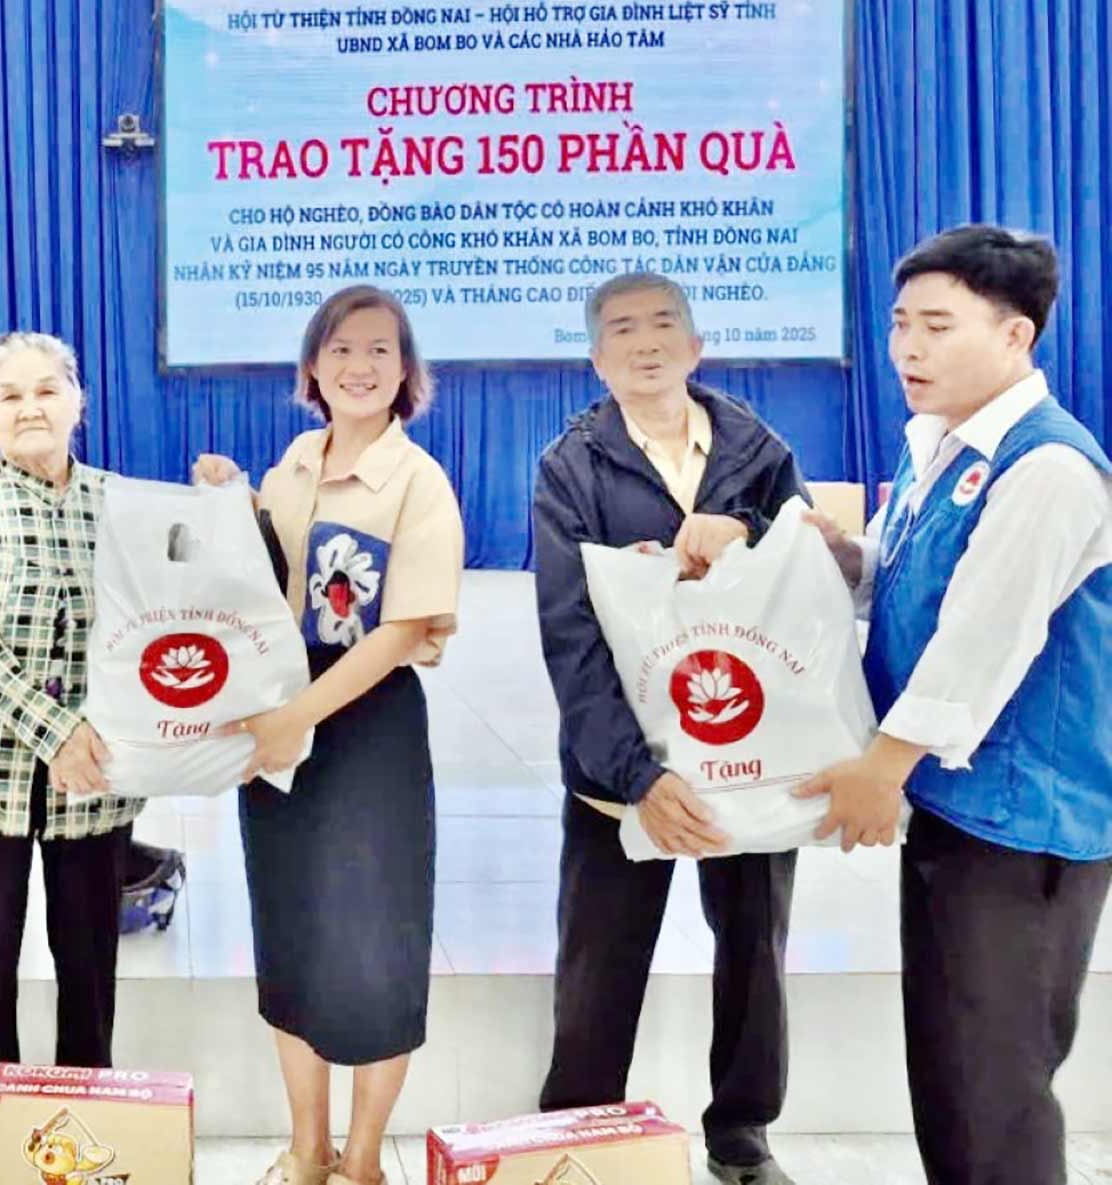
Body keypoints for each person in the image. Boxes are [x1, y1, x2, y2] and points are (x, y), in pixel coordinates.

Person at [801, 225, 1111, 1185]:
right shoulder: (938, 441)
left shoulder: (1048, 468)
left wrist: (882, 767)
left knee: (997, 1091)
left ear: (1016, 337)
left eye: (938, 326)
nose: (908, 349)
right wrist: (814, 553)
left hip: (1025, 826)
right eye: (900, 325)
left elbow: (983, 639)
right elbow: (893, 575)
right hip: (958, 809)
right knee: (948, 1070)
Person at [531, 273, 808, 1185]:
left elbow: (803, 582)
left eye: (664, 327)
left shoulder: (758, 450)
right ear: (597, 359)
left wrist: (750, 533)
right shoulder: (568, 468)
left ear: (696, 346)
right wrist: (638, 776)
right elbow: (572, 638)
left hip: (747, 749)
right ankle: (577, 1132)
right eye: (622, 331)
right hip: (621, 774)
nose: (645, 343)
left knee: (756, 949)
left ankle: (742, 1132)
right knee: (599, 958)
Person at [192, 284, 463, 1185]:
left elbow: (398, 633)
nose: (361, 365)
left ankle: (361, 1160)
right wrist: (230, 501)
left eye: (381, 350)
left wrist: (292, 720)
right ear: (313, 365)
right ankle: (306, 1148)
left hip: (366, 730)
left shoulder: (417, 480)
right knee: (293, 933)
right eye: (342, 348)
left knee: (379, 944)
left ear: (406, 370)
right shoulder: (294, 462)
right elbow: (258, 586)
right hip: (276, 723)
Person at [0, 331, 144, 1072]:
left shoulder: (119, 502)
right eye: (10, 394)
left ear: (78, 400)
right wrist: (56, 732)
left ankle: (88, 1122)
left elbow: (154, 625)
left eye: (47, 389)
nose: (31, 407)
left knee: (91, 976)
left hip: (96, 779)